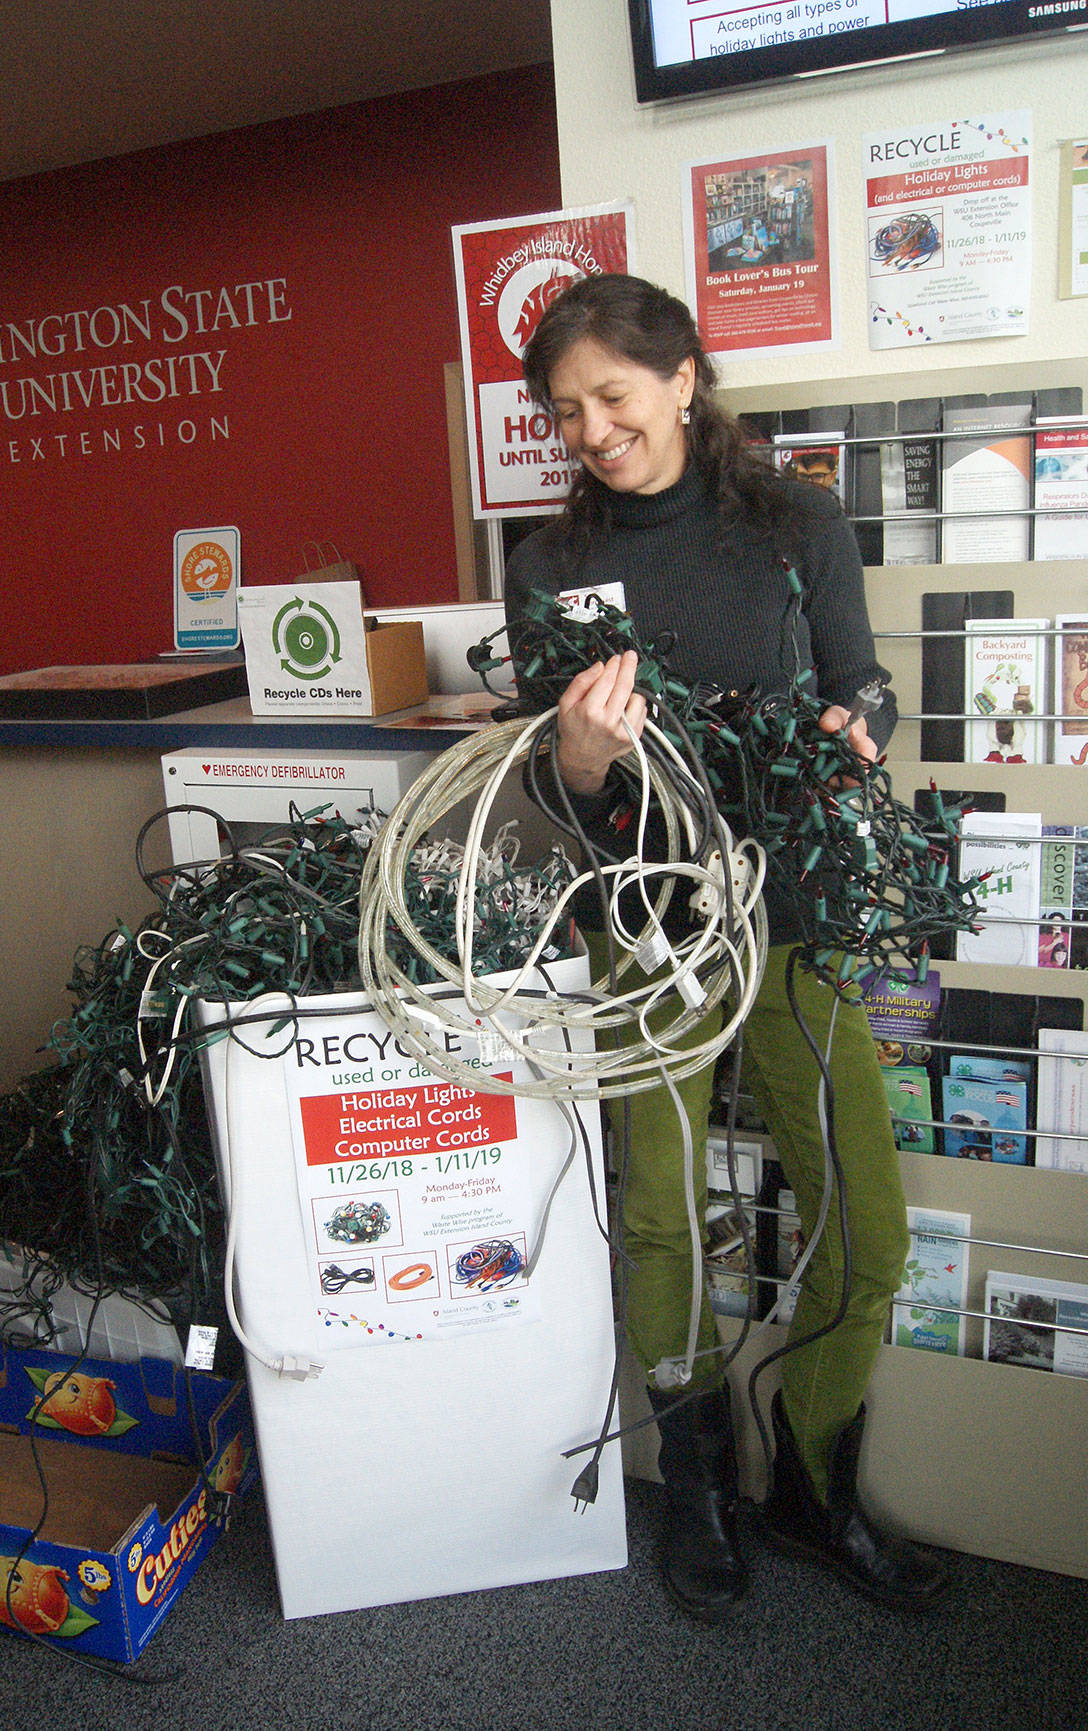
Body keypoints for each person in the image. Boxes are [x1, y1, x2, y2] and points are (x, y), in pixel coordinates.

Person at [504, 273, 949, 1621]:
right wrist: (578, 758)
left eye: (613, 398)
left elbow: (864, 678)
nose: (589, 430)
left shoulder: (796, 519)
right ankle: (696, 1479)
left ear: (685, 380)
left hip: (796, 907)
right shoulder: (549, 566)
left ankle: (812, 1482)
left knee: (867, 1228)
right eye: (566, 411)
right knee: (658, 1216)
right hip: (646, 923)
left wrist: (853, 729)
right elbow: (550, 784)